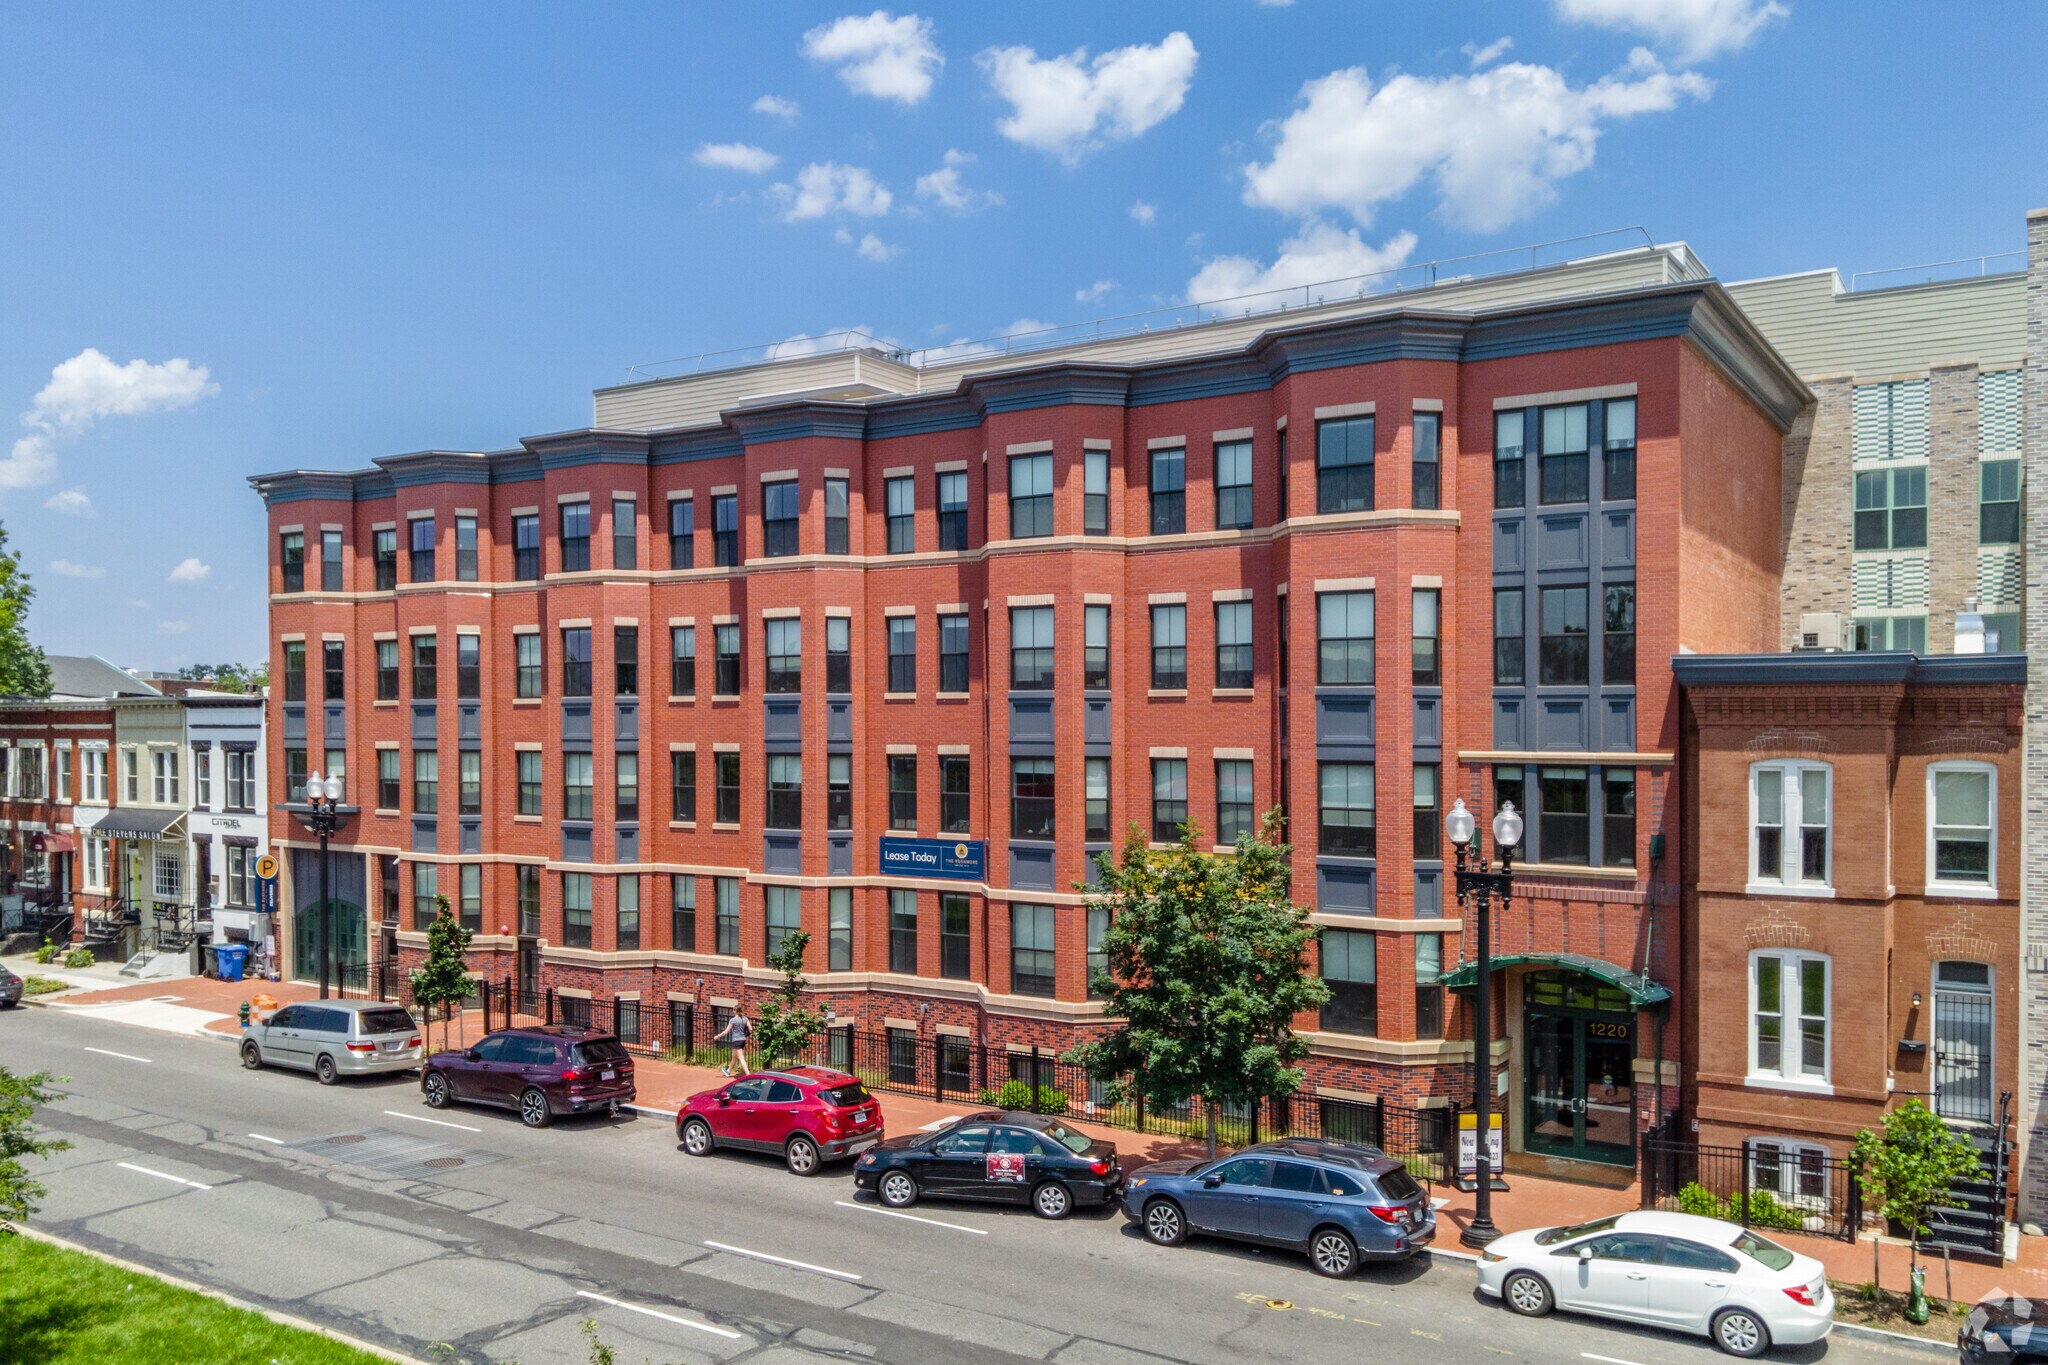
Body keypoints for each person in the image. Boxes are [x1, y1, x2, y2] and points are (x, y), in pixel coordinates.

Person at [715, 1007, 753, 1077]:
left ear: (734, 1011)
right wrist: (747, 1034)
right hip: (743, 1040)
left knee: (741, 1058)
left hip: (736, 1040)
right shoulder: (745, 1018)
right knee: (734, 1056)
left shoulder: (733, 1020)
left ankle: (748, 1075)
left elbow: (726, 1031)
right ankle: (728, 1071)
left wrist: (718, 1036)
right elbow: (751, 1028)